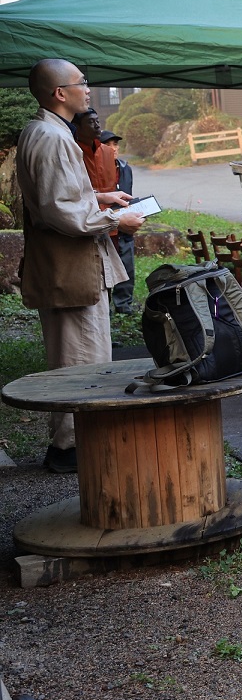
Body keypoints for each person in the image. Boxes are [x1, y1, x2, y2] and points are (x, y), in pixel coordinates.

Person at [16, 59, 143, 473]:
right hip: (69, 265)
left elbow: (64, 197)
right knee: (81, 359)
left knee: (78, 353)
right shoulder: (51, 136)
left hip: (67, 263)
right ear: (59, 93)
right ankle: (72, 449)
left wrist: (102, 198)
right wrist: (114, 219)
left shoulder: (48, 132)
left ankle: (72, 445)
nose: (88, 90)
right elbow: (59, 210)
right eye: (81, 83)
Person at [101, 129, 136, 315]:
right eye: (108, 144)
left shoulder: (125, 168)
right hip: (104, 223)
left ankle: (124, 304)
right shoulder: (94, 169)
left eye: (115, 144)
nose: (113, 148)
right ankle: (103, 307)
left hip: (124, 224)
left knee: (127, 263)